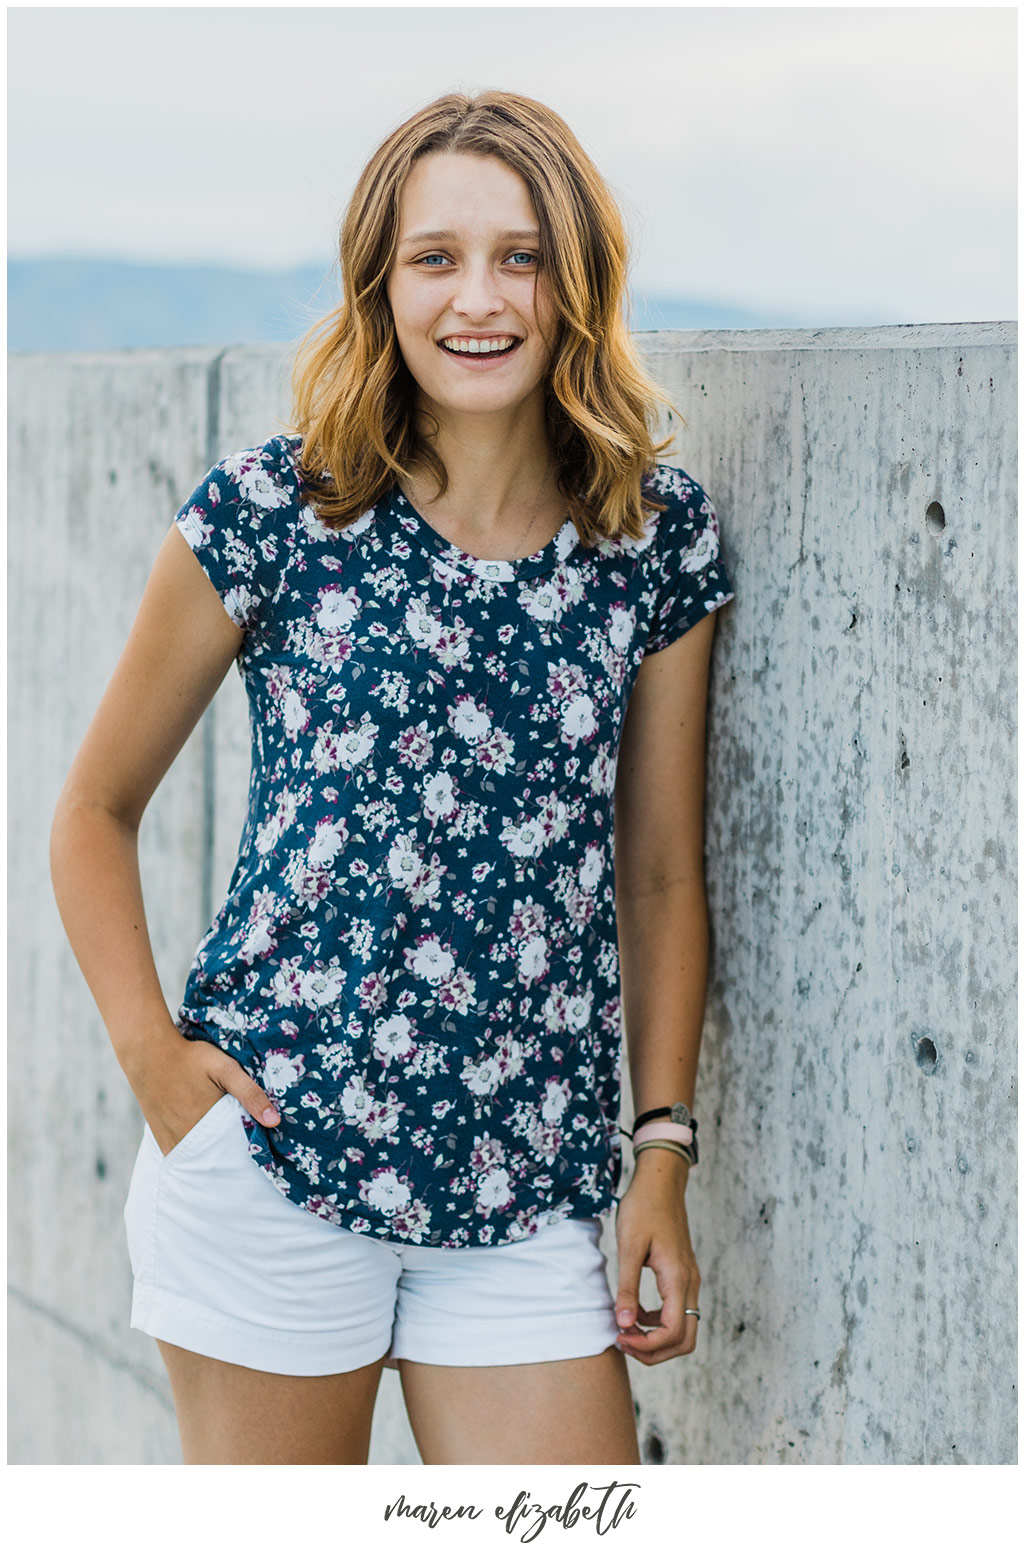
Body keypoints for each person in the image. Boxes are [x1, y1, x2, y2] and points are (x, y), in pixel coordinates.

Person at [50, 89, 735, 1465]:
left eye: (521, 256)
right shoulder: (273, 513)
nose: (479, 298)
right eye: (437, 257)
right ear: (381, 282)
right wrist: (160, 1074)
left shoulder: (653, 540)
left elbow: (662, 876)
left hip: (530, 1190)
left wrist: (661, 1150)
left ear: (574, 283)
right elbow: (92, 812)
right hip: (274, 1166)